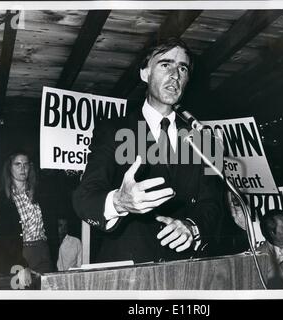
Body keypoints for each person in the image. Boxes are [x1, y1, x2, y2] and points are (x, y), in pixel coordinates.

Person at [73, 38, 224, 264]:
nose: (175, 74)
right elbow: (84, 198)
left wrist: (192, 227)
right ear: (145, 73)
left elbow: (213, 204)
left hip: (188, 270)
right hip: (130, 273)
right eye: (166, 64)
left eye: (182, 68)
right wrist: (118, 201)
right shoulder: (113, 130)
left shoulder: (203, 138)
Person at [0, 150, 53, 288]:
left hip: (42, 252)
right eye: (18, 164)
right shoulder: (2, 199)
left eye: (26, 164)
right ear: (9, 167)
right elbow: (6, 237)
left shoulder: (39, 193)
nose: (23, 168)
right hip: (19, 253)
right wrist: (20, 265)